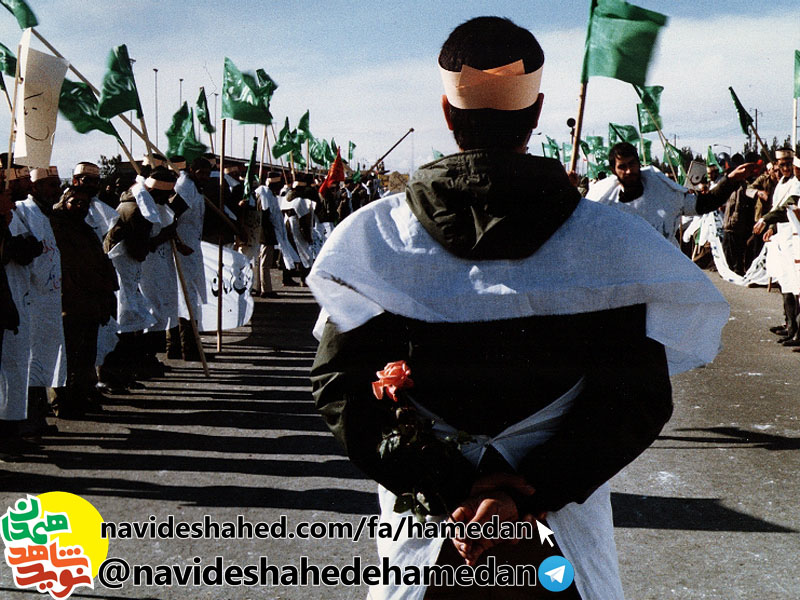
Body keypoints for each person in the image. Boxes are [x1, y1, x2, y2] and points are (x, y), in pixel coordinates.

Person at [308, 16, 729, 600]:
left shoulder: (372, 240)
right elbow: (638, 396)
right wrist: (528, 490)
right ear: (536, 115)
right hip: (556, 537)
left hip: (435, 530)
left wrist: (448, 485)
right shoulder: (612, 243)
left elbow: (342, 387)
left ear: (448, 113)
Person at [585, 142, 759, 245]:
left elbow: (704, 203)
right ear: (613, 170)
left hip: (660, 271)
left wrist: (731, 180)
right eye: (622, 167)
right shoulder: (601, 200)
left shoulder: (662, 190)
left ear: (639, 163)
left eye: (632, 164)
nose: (629, 171)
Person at [49, 187, 118, 418]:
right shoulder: (56, 227)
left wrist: (105, 291)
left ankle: (83, 396)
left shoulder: (86, 229)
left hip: (90, 300)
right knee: (67, 356)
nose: (80, 206)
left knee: (86, 354)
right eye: (75, 202)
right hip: (69, 302)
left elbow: (100, 260)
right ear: (64, 201)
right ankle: (62, 402)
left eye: (84, 203)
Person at [753, 149, 800, 344]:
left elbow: (787, 207)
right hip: (783, 239)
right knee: (785, 282)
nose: (786, 168)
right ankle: (790, 325)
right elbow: (777, 208)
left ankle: (797, 331)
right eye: (782, 165)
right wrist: (772, 228)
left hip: (794, 239)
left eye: (789, 164)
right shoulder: (781, 182)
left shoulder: (797, 183)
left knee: (796, 285)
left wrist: (766, 219)